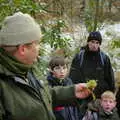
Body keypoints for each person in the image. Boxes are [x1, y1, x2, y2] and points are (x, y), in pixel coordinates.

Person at [0, 12, 91, 120]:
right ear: (23, 49)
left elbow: (42, 95)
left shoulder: (29, 68)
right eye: (37, 43)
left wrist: (72, 92)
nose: (40, 47)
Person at [69, 31, 115, 98]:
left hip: (100, 96)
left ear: (99, 44)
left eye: (97, 43)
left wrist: (111, 95)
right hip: (82, 95)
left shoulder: (104, 58)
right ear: (88, 42)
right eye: (92, 42)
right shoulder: (79, 57)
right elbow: (72, 77)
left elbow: (110, 78)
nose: (94, 45)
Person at [47, 56, 81, 120]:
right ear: (51, 70)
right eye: (57, 68)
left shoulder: (69, 82)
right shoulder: (48, 86)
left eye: (64, 68)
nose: (62, 71)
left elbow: (75, 106)